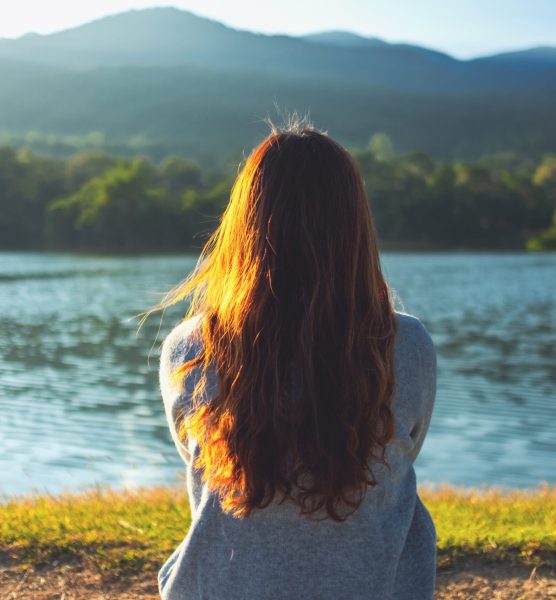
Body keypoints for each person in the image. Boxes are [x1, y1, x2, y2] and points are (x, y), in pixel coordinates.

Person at [153, 118, 437, 600]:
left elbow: (195, 459)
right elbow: (407, 446)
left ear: (244, 224)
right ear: (354, 226)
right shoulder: (406, 345)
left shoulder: (190, 347)